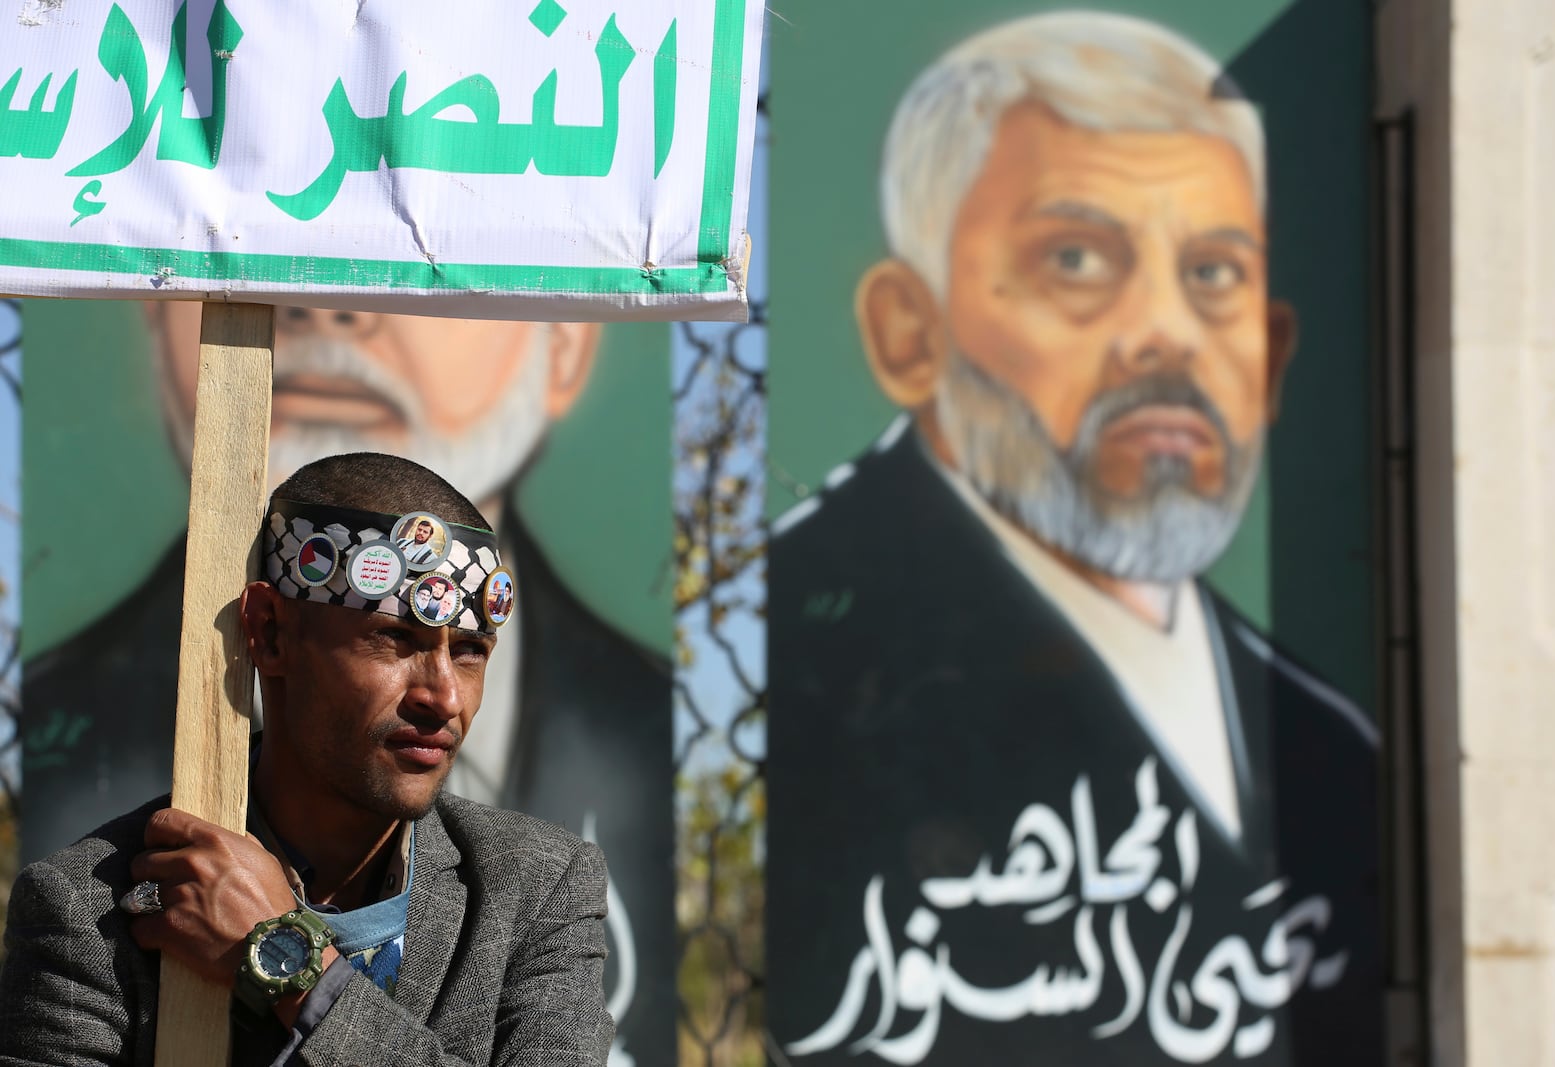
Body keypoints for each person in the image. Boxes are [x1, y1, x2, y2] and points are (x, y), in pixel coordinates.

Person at [767, 12, 1382, 1064]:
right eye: (1077, 256)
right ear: (908, 331)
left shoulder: (1332, 753)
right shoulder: (772, 675)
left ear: (1271, 355)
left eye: (1215, 273)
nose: (1164, 331)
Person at [23, 306, 676, 1063]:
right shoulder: (96, 909)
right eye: (395, 638)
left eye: (468, 652)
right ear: (269, 632)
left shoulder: (535, 887)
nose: (443, 695)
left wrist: (291, 966)